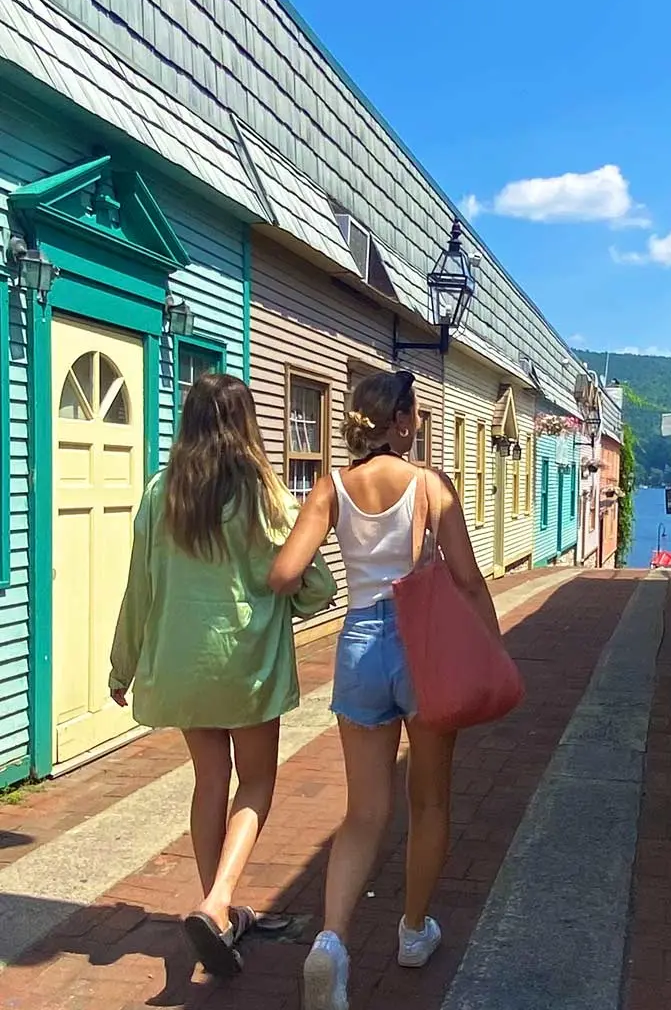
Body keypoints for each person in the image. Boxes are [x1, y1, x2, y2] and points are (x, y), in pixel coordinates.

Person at [268, 370, 500, 1010]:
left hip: (359, 647)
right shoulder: (429, 486)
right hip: (422, 643)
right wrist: (494, 650)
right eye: (415, 414)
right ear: (399, 422)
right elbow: (469, 579)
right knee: (428, 802)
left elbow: (286, 572)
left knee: (364, 811)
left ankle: (331, 945)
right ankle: (413, 931)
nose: (419, 422)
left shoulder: (332, 487)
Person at [109, 373, 336, 977]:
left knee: (210, 779)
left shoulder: (161, 493)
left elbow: (141, 586)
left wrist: (121, 663)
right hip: (246, 663)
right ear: (245, 423)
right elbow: (314, 585)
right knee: (256, 783)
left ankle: (218, 908)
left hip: (181, 660)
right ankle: (216, 905)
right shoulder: (264, 495)